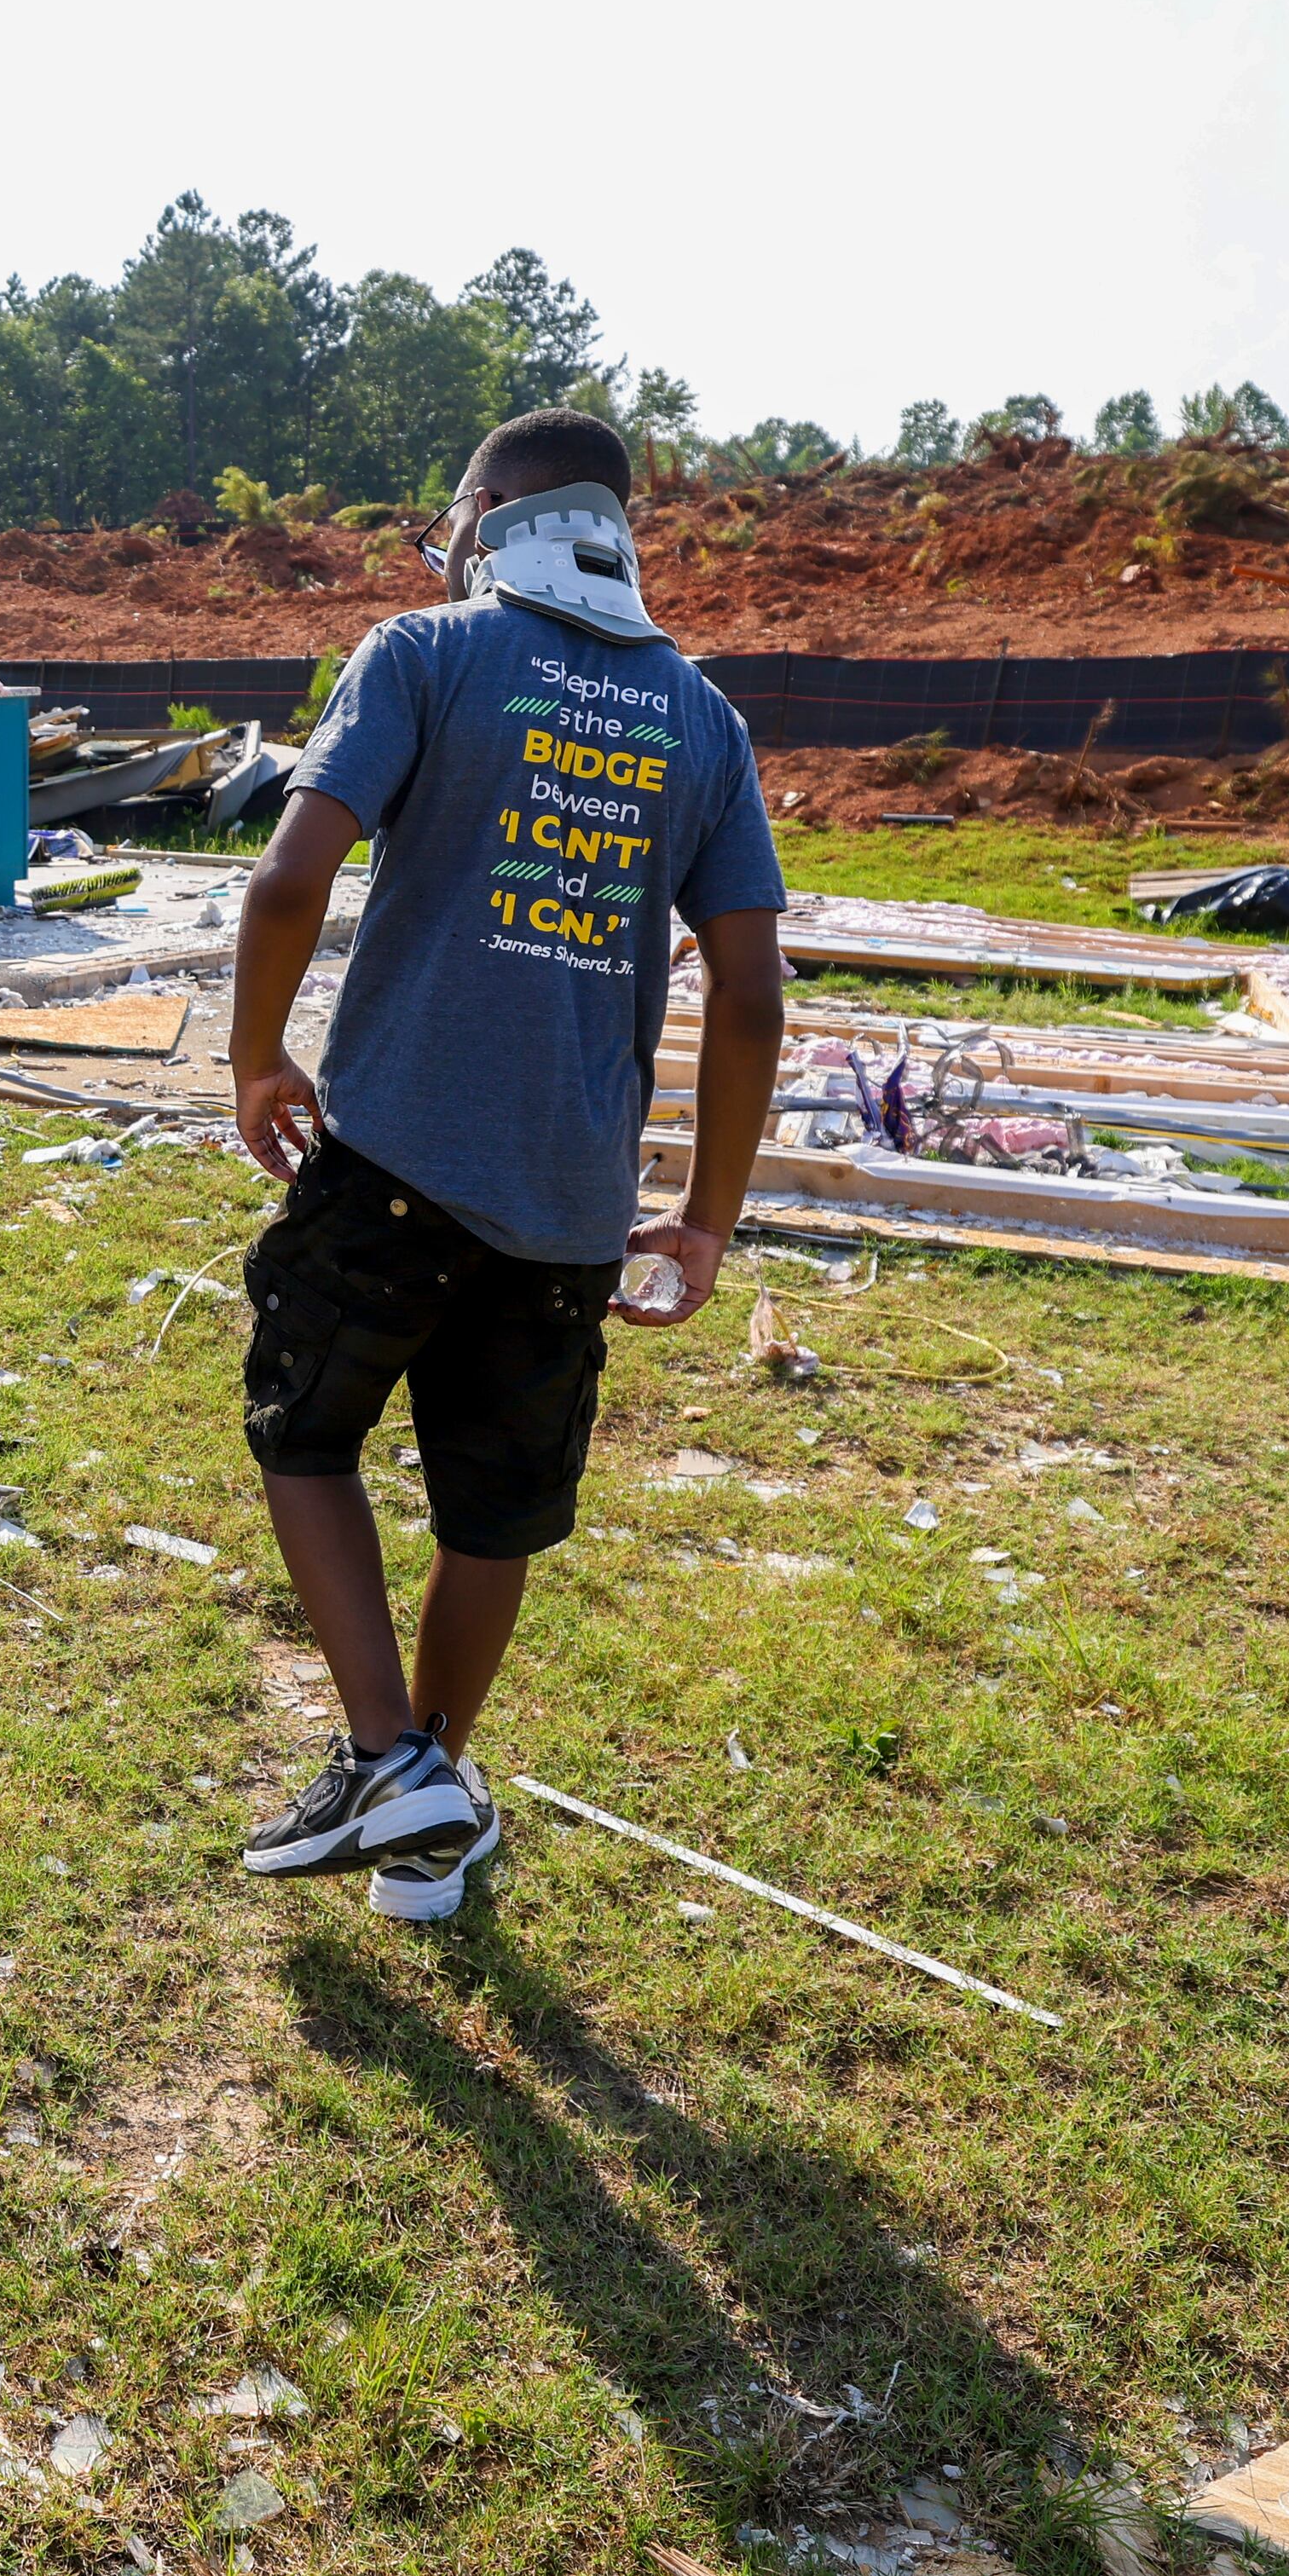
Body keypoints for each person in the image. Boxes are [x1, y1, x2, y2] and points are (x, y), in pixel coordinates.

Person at [217, 407, 789, 1920]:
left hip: (391, 1152)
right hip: (571, 1209)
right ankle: (433, 1806)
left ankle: (385, 1761)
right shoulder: (704, 721)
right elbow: (752, 993)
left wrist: (255, 1053)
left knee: (306, 1435)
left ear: (485, 517)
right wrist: (709, 1221)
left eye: (451, 518)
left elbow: (291, 873)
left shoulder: (423, 654)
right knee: (493, 1511)